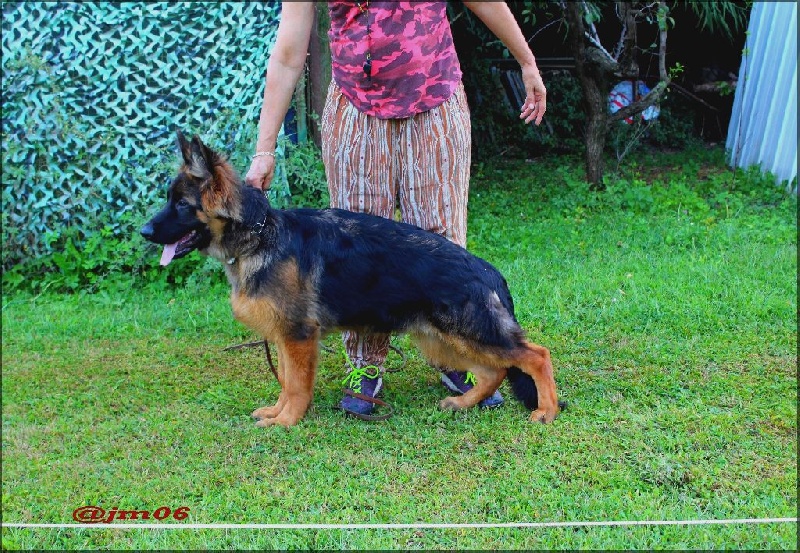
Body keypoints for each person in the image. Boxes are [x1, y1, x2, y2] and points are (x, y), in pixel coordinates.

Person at [245, 1, 546, 418]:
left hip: (435, 100)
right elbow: (288, 53)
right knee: (354, 252)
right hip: (355, 111)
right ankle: (364, 367)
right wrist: (265, 149)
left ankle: (457, 360)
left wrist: (526, 61)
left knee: (440, 240)